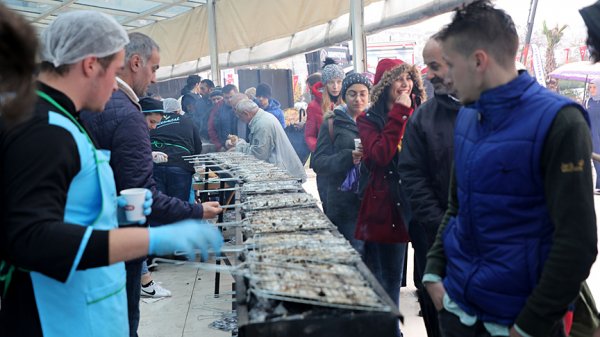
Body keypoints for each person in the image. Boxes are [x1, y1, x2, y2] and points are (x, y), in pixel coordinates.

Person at [0, 10, 222, 337]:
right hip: (57, 317)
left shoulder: (57, 115)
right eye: (115, 70)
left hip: (85, 305)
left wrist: (109, 209)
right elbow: (29, 239)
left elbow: (60, 197)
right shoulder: (42, 128)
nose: (117, 86)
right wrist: (152, 237)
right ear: (90, 65)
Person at [423, 2, 597, 337]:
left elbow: (577, 243)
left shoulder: (561, 122)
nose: (445, 77)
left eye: (451, 66)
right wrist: (433, 273)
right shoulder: (468, 117)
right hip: (458, 311)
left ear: (478, 61)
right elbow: (457, 208)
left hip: (516, 322)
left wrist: (528, 326)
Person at [80, 32, 222, 337]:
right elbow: (141, 196)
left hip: (94, 243)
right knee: (124, 322)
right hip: (117, 243)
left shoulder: (91, 106)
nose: (155, 78)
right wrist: (195, 212)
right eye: (154, 68)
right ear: (134, 63)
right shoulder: (126, 113)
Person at [356, 58, 425, 337]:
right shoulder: (368, 120)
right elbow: (381, 155)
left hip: (421, 203)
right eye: (398, 78)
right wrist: (399, 113)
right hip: (387, 206)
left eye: (409, 77)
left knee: (428, 274)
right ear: (385, 84)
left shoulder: (421, 113)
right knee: (389, 279)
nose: (405, 84)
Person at [397, 34, 460, 337]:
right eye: (427, 66)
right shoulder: (424, 118)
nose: (429, 74)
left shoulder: (487, 111)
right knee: (440, 310)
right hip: (434, 234)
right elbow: (411, 174)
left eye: (435, 65)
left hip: (487, 245)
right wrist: (440, 224)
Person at [312, 73, 372, 254]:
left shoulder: (376, 121)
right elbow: (318, 162)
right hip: (344, 203)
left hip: (372, 201)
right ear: (344, 96)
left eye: (363, 94)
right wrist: (348, 157)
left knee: (373, 262)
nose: (358, 99)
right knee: (354, 254)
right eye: (352, 94)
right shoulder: (332, 123)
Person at [226, 94, 306, 181]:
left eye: (240, 116)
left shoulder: (262, 124)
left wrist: (238, 147)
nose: (240, 119)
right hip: (278, 169)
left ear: (246, 113)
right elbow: (257, 146)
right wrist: (240, 143)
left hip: (281, 172)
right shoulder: (261, 118)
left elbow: (259, 154)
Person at [138, 97, 171, 298]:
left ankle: (144, 280)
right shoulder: (132, 129)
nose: (153, 127)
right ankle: (145, 283)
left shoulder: (140, 131)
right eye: (151, 122)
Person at [305, 58, 345, 213]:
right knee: (328, 204)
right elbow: (309, 135)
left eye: (339, 82)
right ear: (325, 84)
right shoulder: (314, 106)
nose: (335, 86)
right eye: (331, 82)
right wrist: (322, 149)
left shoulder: (348, 102)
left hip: (345, 161)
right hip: (325, 163)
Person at [150, 98, 203, 201]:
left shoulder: (154, 120)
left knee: (160, 203)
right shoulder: (187, 120)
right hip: (180, 165)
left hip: (156, 164)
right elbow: (198, 147)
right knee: (179, 205)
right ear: (178, 111)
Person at [208, 84, 239, 150]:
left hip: (242, 146)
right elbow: (211, 128)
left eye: (231, 97)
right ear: (223, 97)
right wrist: (219, 146)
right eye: (226, 98)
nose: (229, 100)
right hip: (225, 147)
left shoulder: (244, 108)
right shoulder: (217, 109)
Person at [587, 78, 600, 190]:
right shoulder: (588, 101)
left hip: (599, 135)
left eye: (594, 87)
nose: (591, 89)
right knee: (595, 162)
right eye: (590, 87)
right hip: (590, 134)